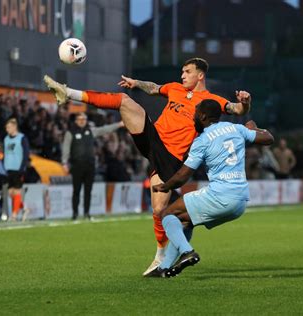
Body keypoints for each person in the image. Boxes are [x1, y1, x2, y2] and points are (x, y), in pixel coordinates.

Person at [44, 57, 252, 275]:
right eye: (182, 71)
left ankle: (161, 256)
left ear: (200, 75)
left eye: (187, 72)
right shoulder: (175, 89)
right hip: (154, 139)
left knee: (159, 210)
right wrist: (136, 83)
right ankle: (68, 93)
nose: (182, 75)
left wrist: (245, 102)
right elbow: (154, 89)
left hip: (171, 158)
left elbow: (237, 109)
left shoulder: (211, 100)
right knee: (124, 100)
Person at [145, 99, 274, 277]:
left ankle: (186, 252)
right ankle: (164, 268)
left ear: (203, 116)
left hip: (221, 195)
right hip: (241, 201)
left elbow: (183, 176)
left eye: (195, 114)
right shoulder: (235, 128)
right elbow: (268, 138)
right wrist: (253, 129)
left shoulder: (202, 140)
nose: (193, 119)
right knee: (185, 221)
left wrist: (164, 186)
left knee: (168, 214)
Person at [62, 112, 123, 220]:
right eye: (80, 119)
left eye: (84, 119)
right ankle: (75, 213)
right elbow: (66, 148)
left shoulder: (91, 131)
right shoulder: (70, 133)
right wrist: (64, 162)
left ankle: (87, 213)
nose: (82, 121)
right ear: (76, 120)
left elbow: (105, 129)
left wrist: (118, 124)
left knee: (88, 191)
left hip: (90, 165)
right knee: (76, 190)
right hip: (77, 165)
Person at [3, 118, 30, 221]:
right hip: (8, 168)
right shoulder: (6, 139)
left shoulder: (22, 138)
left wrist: (22, 167)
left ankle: (14, 215)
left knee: (17, 192)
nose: (7, 129)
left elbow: (26, 154)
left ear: (14, 127)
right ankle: (25, 208)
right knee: (11, 193)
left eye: (8, 127)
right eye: (6, 127)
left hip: (18, 168)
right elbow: (5, 154)